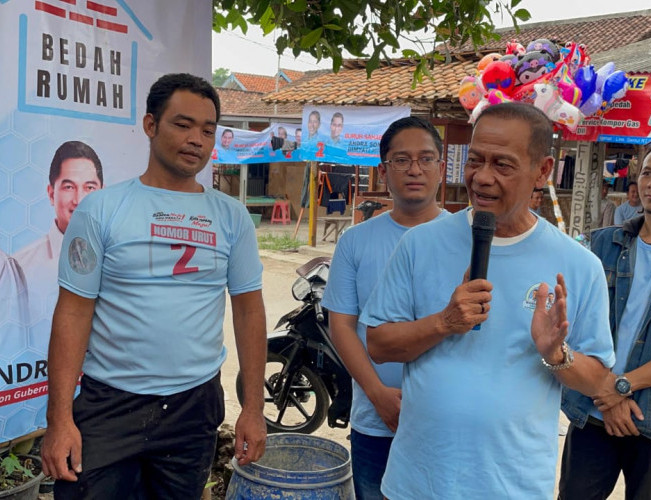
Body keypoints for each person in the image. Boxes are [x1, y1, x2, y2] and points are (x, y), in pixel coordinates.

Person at [361, 102, 614, 499]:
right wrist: (443, 322)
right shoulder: (420, 243)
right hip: (418, 481)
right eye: (475, 160)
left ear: (543, 171)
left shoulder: (579, 265)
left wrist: (555, 353)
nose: (481, 177)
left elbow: (598, 380)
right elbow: (378, 345)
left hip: (512, 485)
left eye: (503, 165)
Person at [41, 73, 267, 499]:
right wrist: (59, 419)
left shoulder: (230, 216)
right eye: (182, 125)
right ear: (150, 125)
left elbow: (249, 311)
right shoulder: (101, 209)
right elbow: (72, 311)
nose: (196, 139)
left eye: (207, 129)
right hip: (110, 404)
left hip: (193, 405)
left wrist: (253, 409)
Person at [559, 138, 651, 499]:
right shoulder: (600, 245)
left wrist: (620, 386)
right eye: (648, 173)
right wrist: (606, 391)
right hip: (593, 409)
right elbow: (570, 325)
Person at [322, 116, 448, 499]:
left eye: (426, 159)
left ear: (442, 169)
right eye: (401, 160)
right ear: (383, 170)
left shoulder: (465, 239)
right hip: (375, 422)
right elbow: (341, 326)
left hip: (446, 422)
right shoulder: (356, 241)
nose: (414, 169)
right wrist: (377, 393)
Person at [13, 141, 104, 327]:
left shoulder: (122, 260)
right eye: (69, 187)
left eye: (89, 188)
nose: (79, 200)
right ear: (50, 194)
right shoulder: (19, 269)